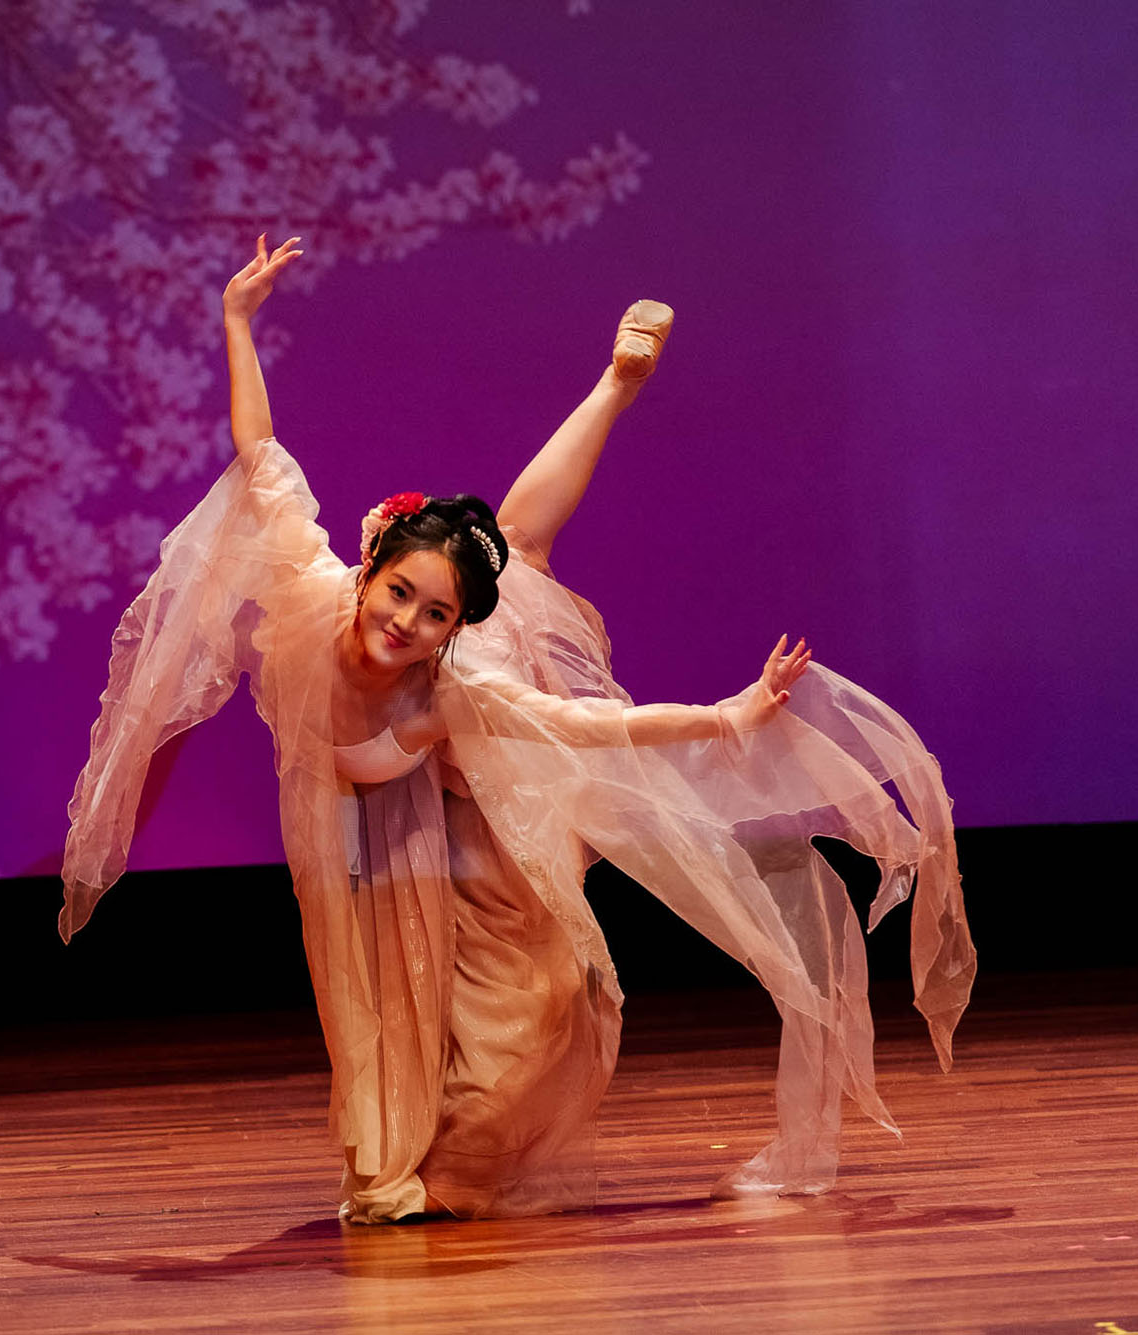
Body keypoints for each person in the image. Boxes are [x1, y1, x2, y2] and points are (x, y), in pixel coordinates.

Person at [62, 235, 975, 1223]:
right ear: (368, 572)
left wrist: (727, 715)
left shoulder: (458, 676)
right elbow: (258, 449)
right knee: (373, 989)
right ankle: (388, 1168)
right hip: (356, 820)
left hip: (451, 783)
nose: (402, 622)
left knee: (521, 570)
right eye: (398, 595)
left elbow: (580, 725)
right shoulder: (312, 583)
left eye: (430, 612)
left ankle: (614, 386)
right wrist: (235, 319)